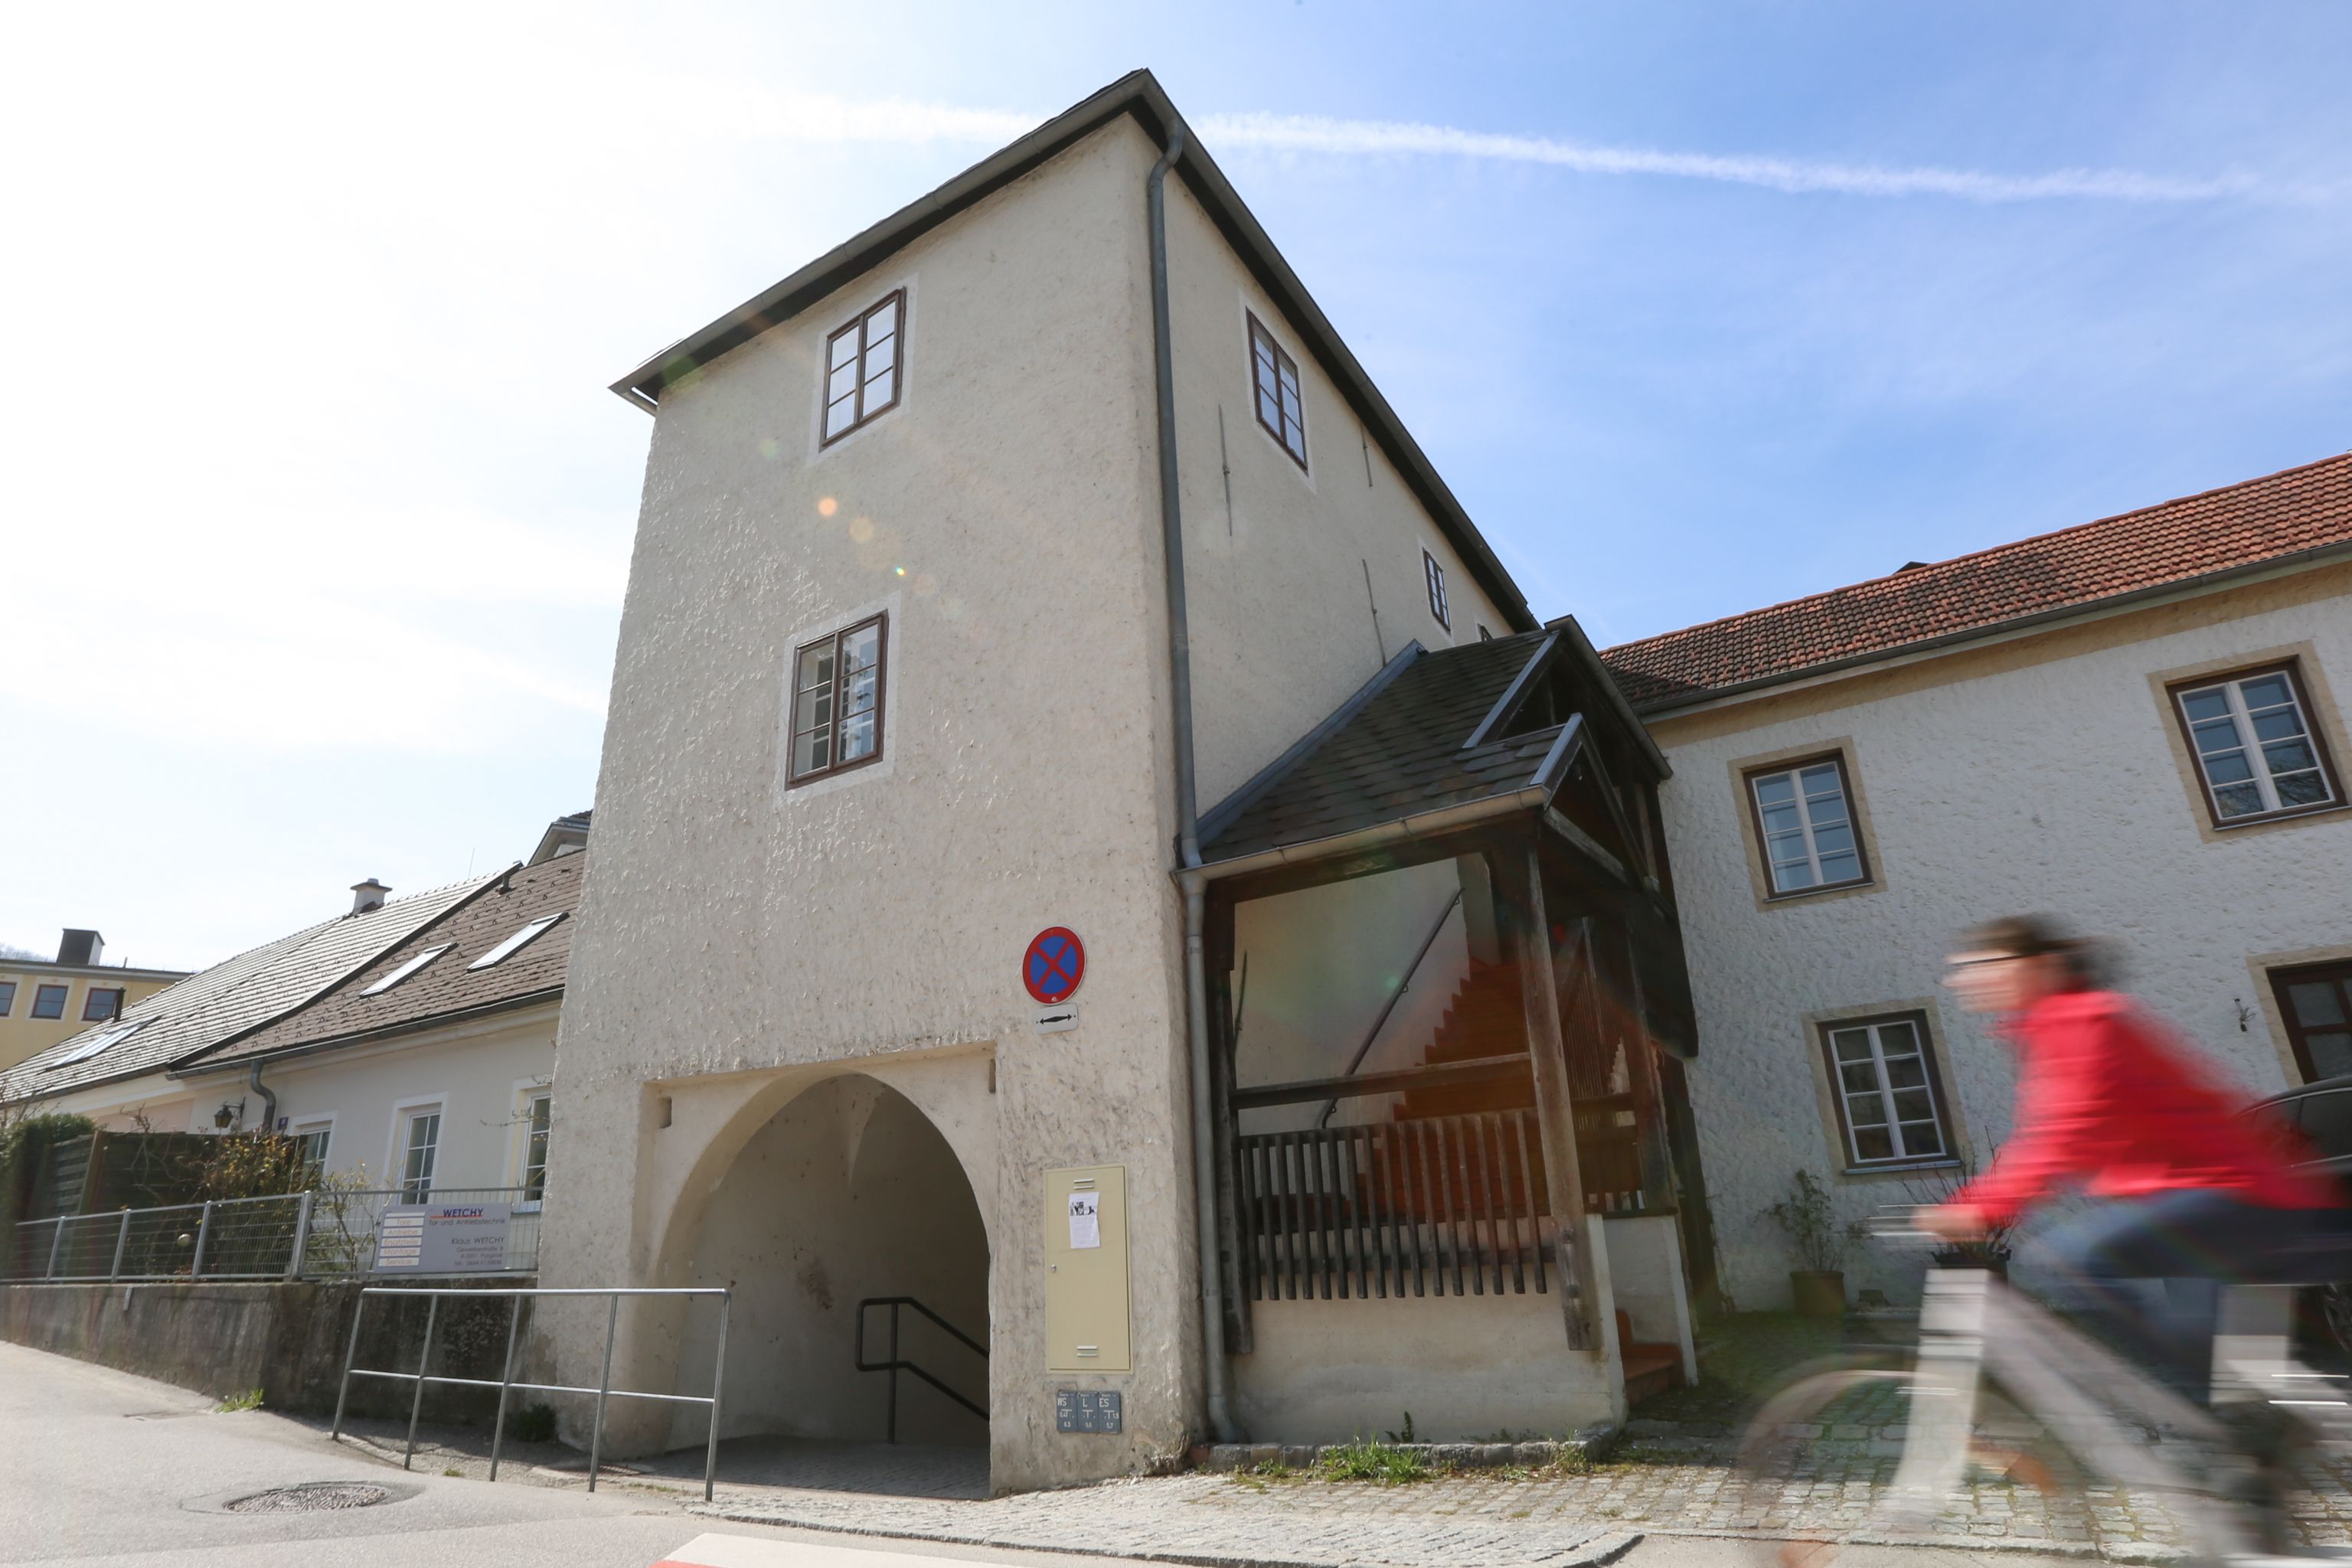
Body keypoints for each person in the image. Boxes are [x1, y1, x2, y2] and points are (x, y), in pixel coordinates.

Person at [1919, 914, 2352, 1407]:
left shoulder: (2082, 1021)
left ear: (2041, 966)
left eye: (1984, 965)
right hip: (2213, 1198)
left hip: (2227, 1191)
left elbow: (2063, 1132)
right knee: (2228, 1365)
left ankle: (2180, 1401)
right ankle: (2263, 1438)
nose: (1965, 978)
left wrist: (1978, 1206)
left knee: (2070, 1261)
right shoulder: (2053, 1028)